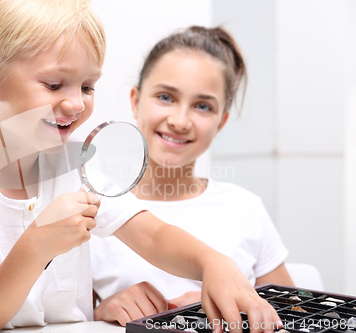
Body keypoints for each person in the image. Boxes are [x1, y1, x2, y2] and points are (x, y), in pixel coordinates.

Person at [0, 2, 282, 332]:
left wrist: (212, 262)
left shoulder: (80, 162)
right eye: (54, 85)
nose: (75, 104)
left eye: (87, 87)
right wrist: (38, 243)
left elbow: (151, 235)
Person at [91, 26, 294, 326]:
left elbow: (297, 315)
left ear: (221, 121)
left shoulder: (244, 209)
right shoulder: (96, 211)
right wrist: (101, 312)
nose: (179, 121)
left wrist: (235, 306)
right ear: (135, 101)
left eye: (202, 106)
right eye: (165, 97)